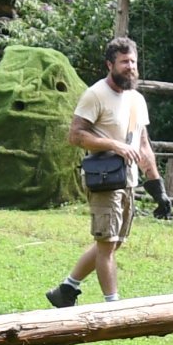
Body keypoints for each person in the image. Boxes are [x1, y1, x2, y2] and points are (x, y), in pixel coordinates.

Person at [49, 37, 159, 308]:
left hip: (128, 180)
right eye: (124, 62)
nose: (130, 67)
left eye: (133, 61)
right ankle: (113, 306)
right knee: (107, 244)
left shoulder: (136, 99)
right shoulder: (95, 95)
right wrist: (114, 145)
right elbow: (75, 135)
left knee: (113, 243)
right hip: (104, 179)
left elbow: (143, 144)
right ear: (110, 64)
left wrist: (157, 185)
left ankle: (66, 289)